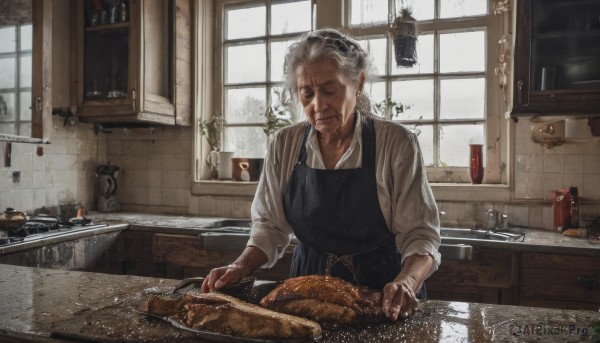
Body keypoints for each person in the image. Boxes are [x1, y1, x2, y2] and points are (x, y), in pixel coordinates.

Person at [201, 28, 441, 322]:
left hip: (383, 294)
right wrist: (240, 266)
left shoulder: (396, 143)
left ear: (359, 83)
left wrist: (407, 282)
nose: (318, 106)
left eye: (330, 90)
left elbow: (420, 236)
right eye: (307, 93)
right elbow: (270, 228)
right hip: (308, 291)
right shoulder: (284, 144)